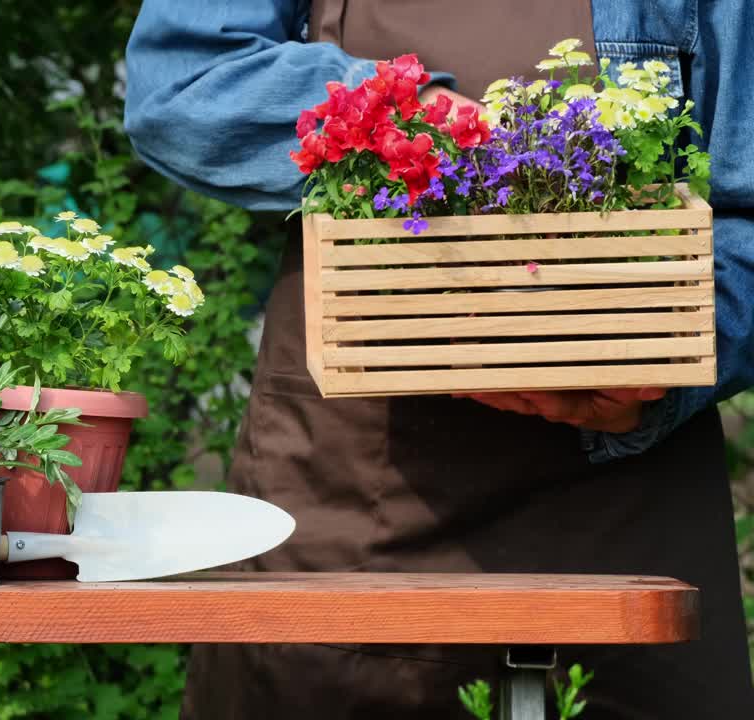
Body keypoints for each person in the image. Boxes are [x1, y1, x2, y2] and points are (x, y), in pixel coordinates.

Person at [124, 1, 754, 718]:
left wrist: (660, 361)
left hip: (633, 506)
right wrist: (402, 117)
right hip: (359, 494)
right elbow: (181, 81)